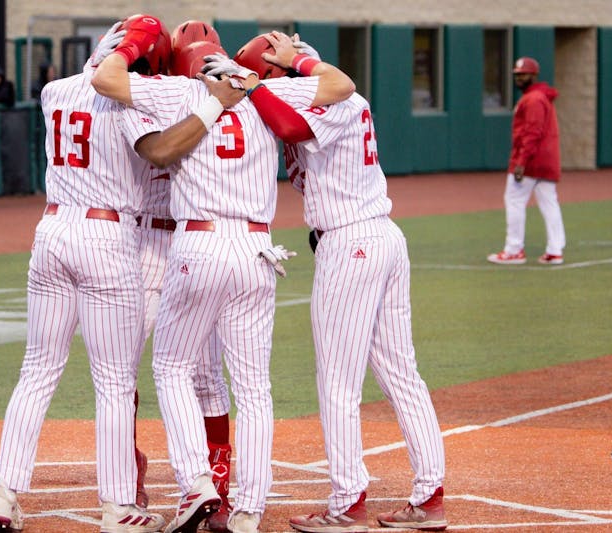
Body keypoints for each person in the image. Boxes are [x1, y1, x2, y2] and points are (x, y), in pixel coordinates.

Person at [93, 23, 354, 533]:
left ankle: (197, 484)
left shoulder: (178, 90)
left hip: (199, 241)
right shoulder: (266, 89)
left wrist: (127, 46)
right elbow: (341, 85)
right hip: (258, 246)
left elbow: (105, 81)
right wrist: (292, 61)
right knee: (254, 386)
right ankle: (248, 510)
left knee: (171, 368)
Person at [231, 35, 448, 532]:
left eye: (273, 77)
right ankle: (428, 494)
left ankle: (347, 502)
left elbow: (289, 120)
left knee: (338, 380)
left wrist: (255, 84)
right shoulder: (319, 95)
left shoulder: (336, 95)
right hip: (373, 237)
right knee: (399, 373)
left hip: (353, 240)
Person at [0, 19, 171, 533]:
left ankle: (4, 492)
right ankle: (117, 506)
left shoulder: (53, 90)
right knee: (114, 381)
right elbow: (158, 153)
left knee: (37, 369)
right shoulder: (128, 100)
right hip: (105, 236)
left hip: (52, 229)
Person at [130, 20, 235, 532]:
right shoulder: (225, 99)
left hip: (184, 243)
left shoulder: (153, 93)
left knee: (189, 372)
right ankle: (140, 475)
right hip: (164, 242)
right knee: (136, 369)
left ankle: (211, 488)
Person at [487, 56, 565, 266]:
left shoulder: (533, 99)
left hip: (531, 162)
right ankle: (555, 250)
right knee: (549, 203)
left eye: (523, 74)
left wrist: (521, 162)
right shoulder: (540, 97)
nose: (519, 78)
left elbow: (532, 133)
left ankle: (514, 250)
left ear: (534, 75)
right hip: (546, 161)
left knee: (514, 201)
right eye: (517, 74)